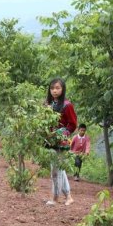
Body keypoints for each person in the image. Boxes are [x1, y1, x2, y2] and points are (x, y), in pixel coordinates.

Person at [44, 78, 77, 206]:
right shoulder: (47, 104)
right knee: (59, 169)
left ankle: (55, 198)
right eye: (52, 88)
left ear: (62, 89)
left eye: (57, 88)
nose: (54, 91)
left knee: (56, 170)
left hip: (61, 141)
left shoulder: (67, 105)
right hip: (50, 140)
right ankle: (68, 196)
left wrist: (62, 133)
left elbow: (73, 124)